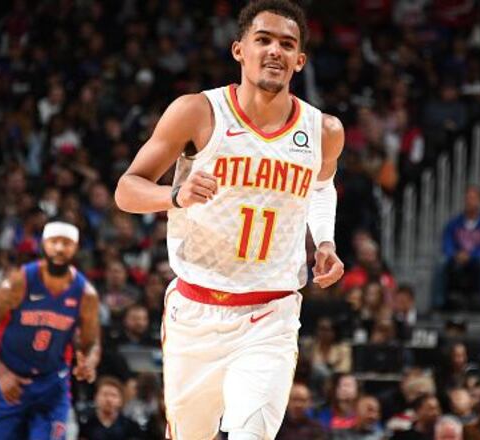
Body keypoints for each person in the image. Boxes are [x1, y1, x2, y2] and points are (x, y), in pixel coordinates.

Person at [113, 1, 345, 439]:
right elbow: (127, 189)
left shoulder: (323, 131)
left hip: (271, 311)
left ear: (299, 60)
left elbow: (321, 187)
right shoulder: (198, 112)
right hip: (195, 311)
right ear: (239, 50)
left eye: (287, 44)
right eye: (264, 40)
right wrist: (175, 196)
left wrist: (326, 242)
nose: (275, 51)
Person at [0, 220, 101, 440]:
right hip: (9, 380)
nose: (59, 248)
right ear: (43, 244)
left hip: (52, 386)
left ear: (75, 248)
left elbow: (92, 342)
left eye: (66, 243)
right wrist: (1, 372)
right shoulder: (20, 282)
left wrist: (89, 361)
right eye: (54, 242)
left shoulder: (86, 294)